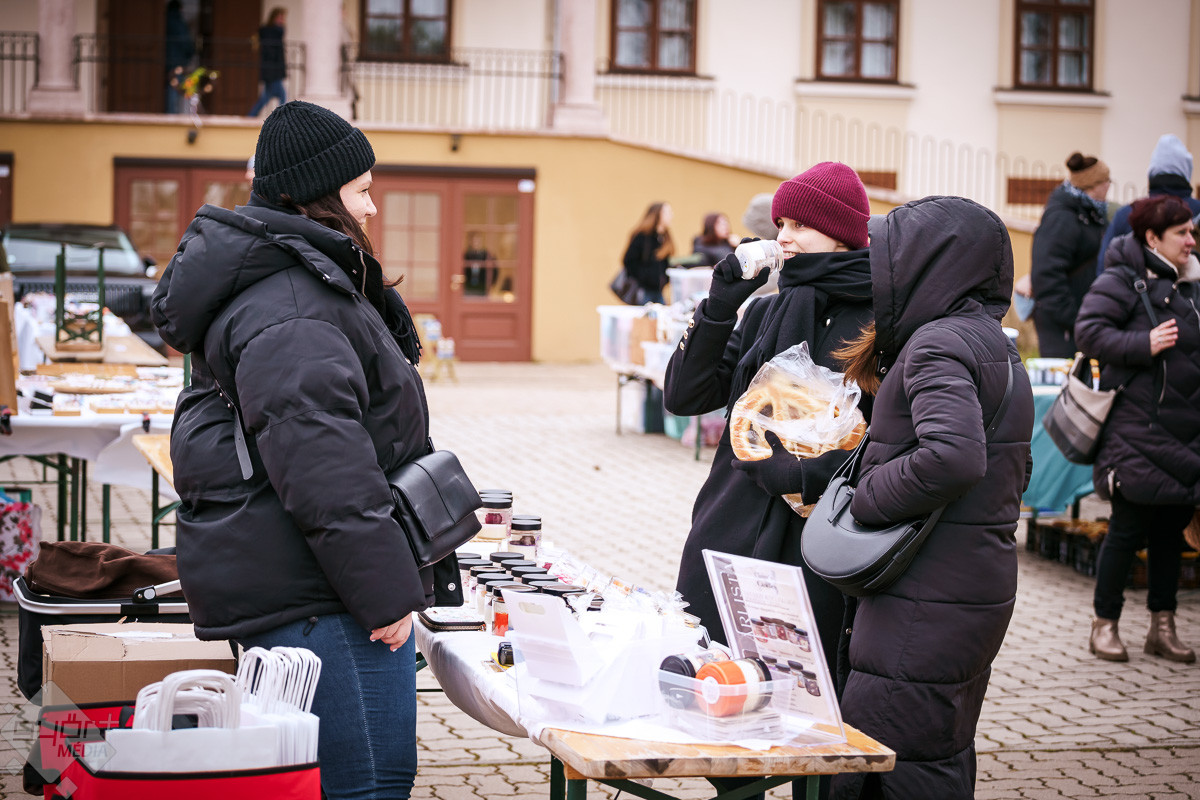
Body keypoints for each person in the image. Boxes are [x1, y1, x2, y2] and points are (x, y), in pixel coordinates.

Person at [151, 101, 460, 799]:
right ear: (318, 195)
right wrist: (384, 595)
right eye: (362, 190)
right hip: (322, 600)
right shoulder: (292, 304)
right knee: (365, 783)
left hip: (311, 584)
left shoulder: (295, 283)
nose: (372, 207)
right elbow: (325, 471)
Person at [831, 196, 1034, 799]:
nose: (879, 270)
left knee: (895, 759)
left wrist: (866, 497)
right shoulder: (993, 343)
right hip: (968, 584)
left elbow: (954, 457)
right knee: (936, 747)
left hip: (928, 593)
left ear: (928, 263)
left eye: (889, 256)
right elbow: (1015, 465)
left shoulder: (937, 344)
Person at [665, 161, 874, 675]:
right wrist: (719, 307)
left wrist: (806, 474)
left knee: (792, 699)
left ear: (841, 234)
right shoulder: (764, 312)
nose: (783, 237)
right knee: (706, 684)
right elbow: (685, 394)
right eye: (781, 224)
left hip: (811, 546)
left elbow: (883, 440)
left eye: (800, 225)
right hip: (727, 530)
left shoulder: (880, 325)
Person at [1075, 194, 1200, 665]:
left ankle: (1162, 627)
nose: (1191, 240)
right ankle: (1104, 625)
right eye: (1181, 233)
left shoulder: (1193, 284)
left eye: (1192, 231)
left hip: (1186, 432)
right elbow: (1088, 332)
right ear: (1152, 237)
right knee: (1127, 531)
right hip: (1136, 432)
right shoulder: (1121, 279)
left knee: (1171, 533)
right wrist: (1142, 343)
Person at [1030, 152, 1111, 357]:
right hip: (1063, 327)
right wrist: (1074, 318)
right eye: (1107, 181)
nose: (1109, 186)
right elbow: (1047, 274)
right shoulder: (1063, 217)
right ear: (1095, 185)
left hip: (1079, 321)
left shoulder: (1091, 214)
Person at [1097, 135, 1200, 275]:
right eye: (1182, 232)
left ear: (1151, 173)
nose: (1190, 241)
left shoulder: (1127, 213)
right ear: (1187, 172)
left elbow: (1104, 265)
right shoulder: (1197, 210)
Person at [621, 202, 675, 304]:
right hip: (643, 291)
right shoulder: (642, 236)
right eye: (667, 212)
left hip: (658, 291)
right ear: (658, 215)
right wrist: (645, 278)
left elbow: (664, 263)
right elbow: (629, 261)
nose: (671, 215)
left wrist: (665, 279)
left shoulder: (664, 237)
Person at [248, 7, 287, 117]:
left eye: (283, 18)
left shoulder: (276, 32)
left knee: (266, 97)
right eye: (279, 18)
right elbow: (271, 52)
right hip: (272, 70)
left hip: (273, 70)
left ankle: (251, 116)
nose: (282, 20)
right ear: (273, 18)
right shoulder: (271, 32)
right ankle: (281, 118)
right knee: (282, 95)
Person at [164, 0, 194, 114]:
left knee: (172, 89)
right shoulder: (178, 22)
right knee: (175, 90)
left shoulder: (164, 21)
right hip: (177, 61)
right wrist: (190, 53)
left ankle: (170, 114)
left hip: (168, 61)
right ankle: (172, 115)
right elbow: (185, 42)